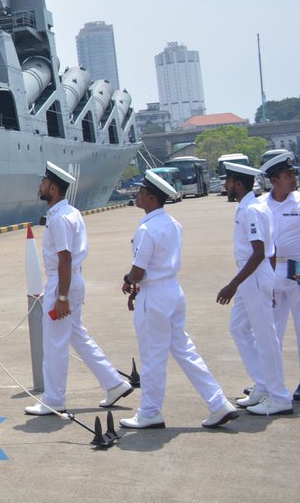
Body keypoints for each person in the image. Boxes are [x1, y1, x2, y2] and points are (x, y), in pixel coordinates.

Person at [118, 170, 239, 429]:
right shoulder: (173, 223)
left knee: (152, 356)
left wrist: (128, 280)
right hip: (173, 290)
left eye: (141, 192)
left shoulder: (147, 228)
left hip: (155, 295)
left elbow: (138, 271)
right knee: (185, 351)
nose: (137, 195)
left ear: (151, 198)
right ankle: (218, 403)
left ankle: (150, 412)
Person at [25, 161, 132, 415]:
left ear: (53, 186)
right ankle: (114, 383)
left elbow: (64, 258)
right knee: (77, 335)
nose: (39, 186)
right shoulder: (70, 212)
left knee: (54, 344)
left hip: (62, 282)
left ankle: (54, 399)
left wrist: (61, 296)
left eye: (43, 182)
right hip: (72, 280)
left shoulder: (60, 218)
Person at [217, 162, 292, 415]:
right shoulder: (251, 206)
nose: (224, 186)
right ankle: (263, 383)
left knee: (266, 336)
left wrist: (232, 285)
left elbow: (259, 252)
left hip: (253, 277)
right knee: (238, 327)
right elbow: (268, 250)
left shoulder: (252, 209)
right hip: (254, 277)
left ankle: (279, 396)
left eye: (227, 181)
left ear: (238, 183)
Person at [258, 151, 300, 402]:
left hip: (297, 267)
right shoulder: (261, 205)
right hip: (270, 269)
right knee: (271, 329)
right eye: (288, 175)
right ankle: (268, 382)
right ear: (274, 180)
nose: (294, 178)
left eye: (293, 173)